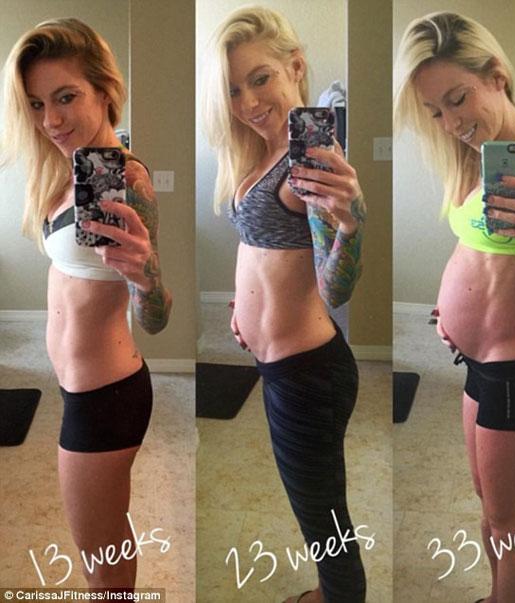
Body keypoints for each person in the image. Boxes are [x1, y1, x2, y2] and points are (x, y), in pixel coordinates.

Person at [395, 12, 515, 603]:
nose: (452, 123)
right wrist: (454, 312)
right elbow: (481, 255)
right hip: (482, 366)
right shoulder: (478, 157)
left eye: (458, 99)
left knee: (511, 522)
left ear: (496, 76)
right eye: (436, 112)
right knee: (489, 505)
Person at [200, 6, 366, 603]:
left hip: (307, 374)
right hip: (283, 365)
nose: (248, 101)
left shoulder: (308, 162)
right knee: (314, 507)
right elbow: (262, 248)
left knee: (323, 517)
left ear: (295, 66)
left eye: (260, 78)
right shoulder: (261, 152)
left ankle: (338, 597)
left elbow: (336, 289)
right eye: (233, 89)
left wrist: (350, 224)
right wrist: (243, 308)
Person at [1, 18, 172, 589]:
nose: (50, 120)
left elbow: (157, 317)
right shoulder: (64, 171)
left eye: (66, 97)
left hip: (107, 396)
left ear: (104, 90)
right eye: (36, 103)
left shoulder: (128, 179)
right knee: (104, 536)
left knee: (99, 557)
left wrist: (145, 275)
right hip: (82, 389)